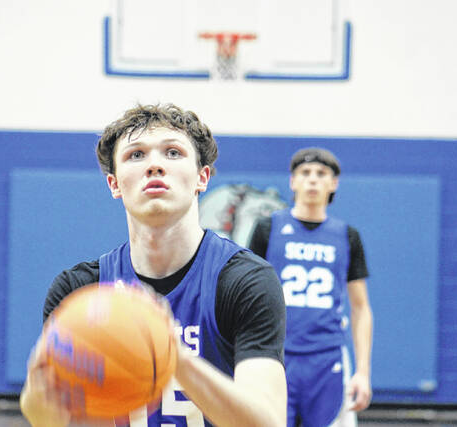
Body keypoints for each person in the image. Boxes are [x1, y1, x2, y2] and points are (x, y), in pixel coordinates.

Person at [19, 103, 287, 427]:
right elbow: (66, 419)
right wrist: (41, 410)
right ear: (114, 184)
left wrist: (173, 356)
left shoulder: (244, 281)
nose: (155, 165)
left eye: (173, 153)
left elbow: (267, 423)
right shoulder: (79, 292)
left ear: (202, 178)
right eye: (136, 155)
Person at [248, 147, 373, 427]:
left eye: (321, 174)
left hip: (327, 356)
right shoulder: (268, 228)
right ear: (292, 182)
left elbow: (361, 307)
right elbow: (247, 297)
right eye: (305, 173)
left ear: (334, 183)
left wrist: (363, 372)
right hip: (275, 355)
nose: (313, 180)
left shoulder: (347, 236)